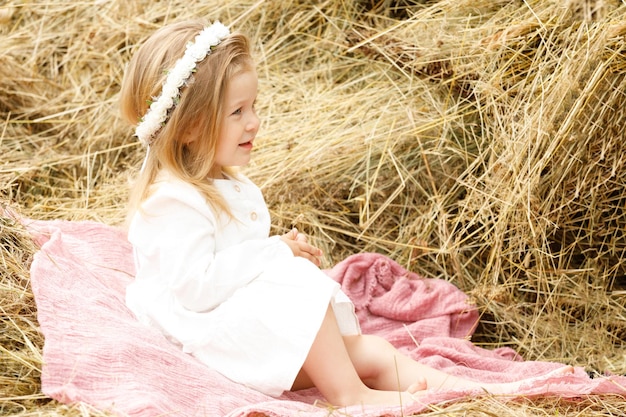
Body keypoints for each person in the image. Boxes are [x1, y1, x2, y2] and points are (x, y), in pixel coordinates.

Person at [119, 19, 573, 408]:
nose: (254, 121)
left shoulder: (218, 180)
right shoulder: (172, 201)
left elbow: (233, 262)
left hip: (241, 327)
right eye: (238, 111)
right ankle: (352, 396)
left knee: (370, 350)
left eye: (253, 106)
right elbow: (198, 287)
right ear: (191, 127)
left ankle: (477, 392)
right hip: (212, 336)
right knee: (291, 289)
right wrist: (276, 253)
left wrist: (277, 253)